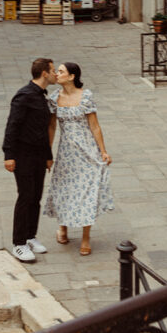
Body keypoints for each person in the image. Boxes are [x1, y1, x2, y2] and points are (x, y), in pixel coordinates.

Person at [43, 61, 113, 256]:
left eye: (61, 71)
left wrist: (103, 151)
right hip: (66, 153)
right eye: (56, 70)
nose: (57, 74)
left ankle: (85, 238)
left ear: (72, 76)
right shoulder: (54, 98)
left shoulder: (86, 97)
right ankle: (63, 227)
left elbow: (95, 126)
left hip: (87, 151)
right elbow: (51, 127)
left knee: (87, 192)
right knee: (64, 189)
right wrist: (48, 154)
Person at [2, 57, 56, 263]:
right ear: (44, 73)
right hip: (23, 155)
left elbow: (42, 130)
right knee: (25, 197)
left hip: (38, 155)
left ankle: (31, 236)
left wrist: (48, 156)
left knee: (35, 197)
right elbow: (12, 126)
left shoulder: (42, 95)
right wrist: (9, 155)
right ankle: (19, 243)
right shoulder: (24, 96)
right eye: (53, 70)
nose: (55, 74)